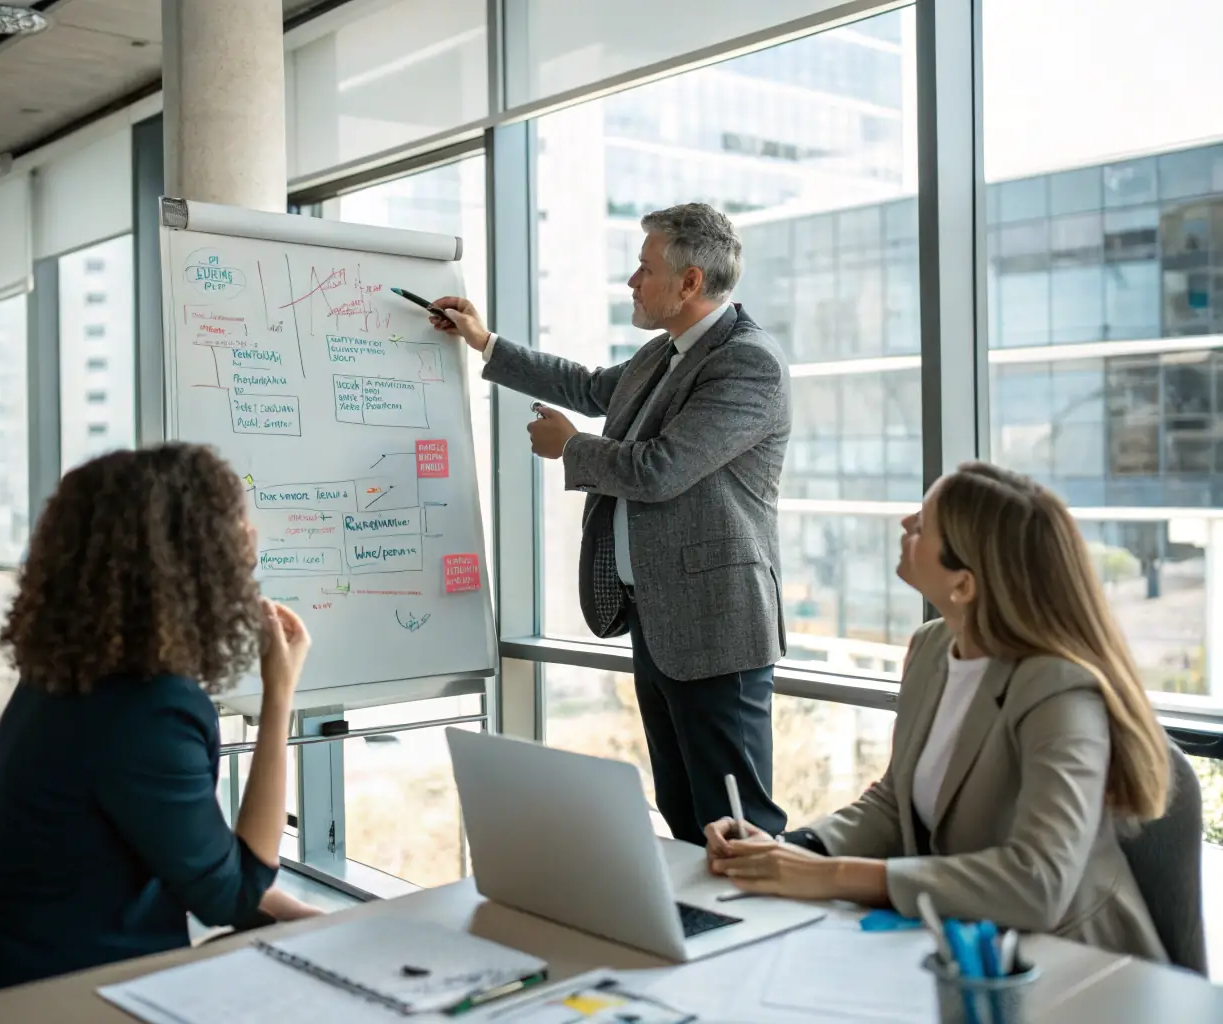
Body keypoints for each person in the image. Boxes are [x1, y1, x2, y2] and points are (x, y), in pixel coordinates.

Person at [704, 462, 1172, 961]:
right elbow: (893, 802)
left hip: (1071, 964)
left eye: (924, 525)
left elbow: (1038, 881)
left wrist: (832, 876)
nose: (906, 524)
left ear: (965, 585)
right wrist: (790, 849)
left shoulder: (1059, 689)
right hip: (958, 943)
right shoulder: (932, 647)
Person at [433, 202, 792, 845]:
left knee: (738, 826)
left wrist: (570, 448)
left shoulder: (748, 363)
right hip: (659, 617)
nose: (631, 281)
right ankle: (693, 938)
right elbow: (592, 387)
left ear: (690, 283)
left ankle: (751, 936)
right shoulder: (666, 354)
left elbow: (661, 468)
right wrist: (484, 342)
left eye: (643, 268)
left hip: (717, 627)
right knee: (684, 815)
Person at [0, 444, 321, 999]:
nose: (250, 539)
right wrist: (279, 695)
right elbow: (227, 897)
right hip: (55, 996)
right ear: (192, 559)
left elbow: (189, 853)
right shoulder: (151, 712)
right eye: (237, 524)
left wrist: (294, 909)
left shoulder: (66, 676)